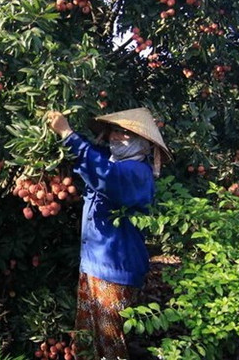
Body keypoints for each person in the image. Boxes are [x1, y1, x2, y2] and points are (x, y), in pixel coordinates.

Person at [46, 107, 169, 360]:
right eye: (114, 131)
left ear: (143, 142)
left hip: (116, 270)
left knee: (110, 343)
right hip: (93, 263)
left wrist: (67, 133)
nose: (115, 137)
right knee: (88, 336)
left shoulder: (137, 173)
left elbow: (105, 176)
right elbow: (95, 163)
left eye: (124, 133)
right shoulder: (116, 162)